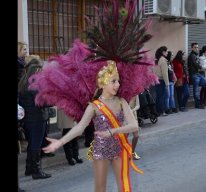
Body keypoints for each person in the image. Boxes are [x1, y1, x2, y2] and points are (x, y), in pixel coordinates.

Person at [43, 60, 143, 192]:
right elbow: (79, 128)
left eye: (118, 81)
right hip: (101, 150)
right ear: (102, 83)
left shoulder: (121, 102)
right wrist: (60, 142)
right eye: (113, 81)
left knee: (124, 185)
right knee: (100, 188)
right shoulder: (94, 106)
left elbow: (134, 126)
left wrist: (113, 131)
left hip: (119, 147)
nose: (117, 85)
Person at [18, 55, 51, 180]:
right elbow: (42, 103)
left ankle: (29, 168)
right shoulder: (35, 84)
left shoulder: (23, 82)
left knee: (32, 143)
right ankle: (36, 171)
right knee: (36, 145)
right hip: (37, 119)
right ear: (36, 69)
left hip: (28, 119)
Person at [188, 43, 206, 109]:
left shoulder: (195, 55)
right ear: (192, 48)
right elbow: (196, 65)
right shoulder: (192, 56)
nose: (196, 48)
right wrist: (202, 67)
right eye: (195, 47)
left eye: (197, 47)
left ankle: (200, 101)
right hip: (194, 75)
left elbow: (197, 64)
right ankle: (198, 104)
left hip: (198, 74)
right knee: (196, 90)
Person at [129, 95, 141, 160]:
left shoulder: (135, 93)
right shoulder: (122, 93)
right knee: (123, 138)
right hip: (124, 118)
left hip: (133, 117)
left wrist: (132, 110)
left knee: (136, 136)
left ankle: (132, 152)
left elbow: (138, 105)